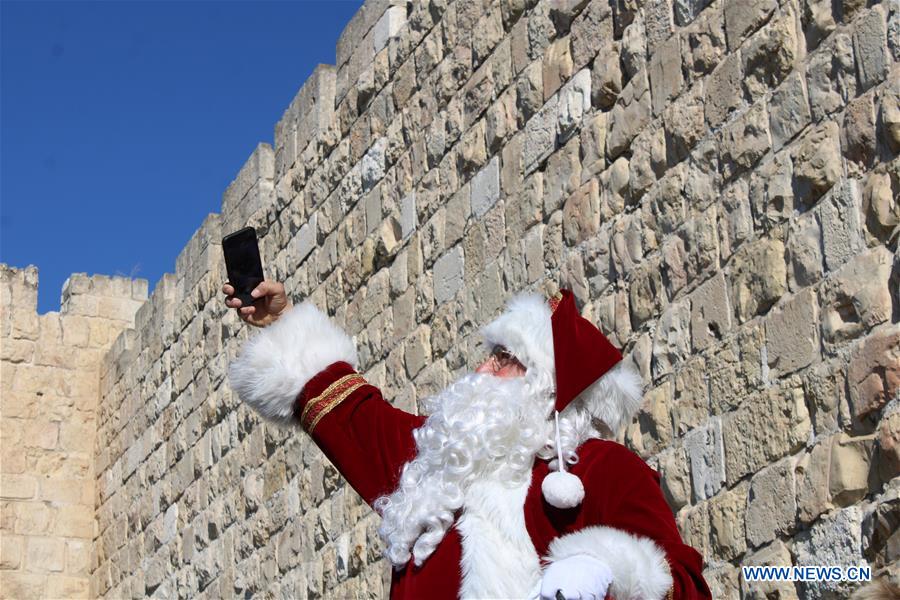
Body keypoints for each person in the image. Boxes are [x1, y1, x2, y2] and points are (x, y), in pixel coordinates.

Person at [223, 280, 712, 599]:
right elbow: (349, 414)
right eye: (489, 354)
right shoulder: (435, 466)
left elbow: (684, 584)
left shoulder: (604, 470)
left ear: (544, 386)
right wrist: (278, 322)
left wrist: (610, 572)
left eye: (503, 358)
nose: (481, 367)